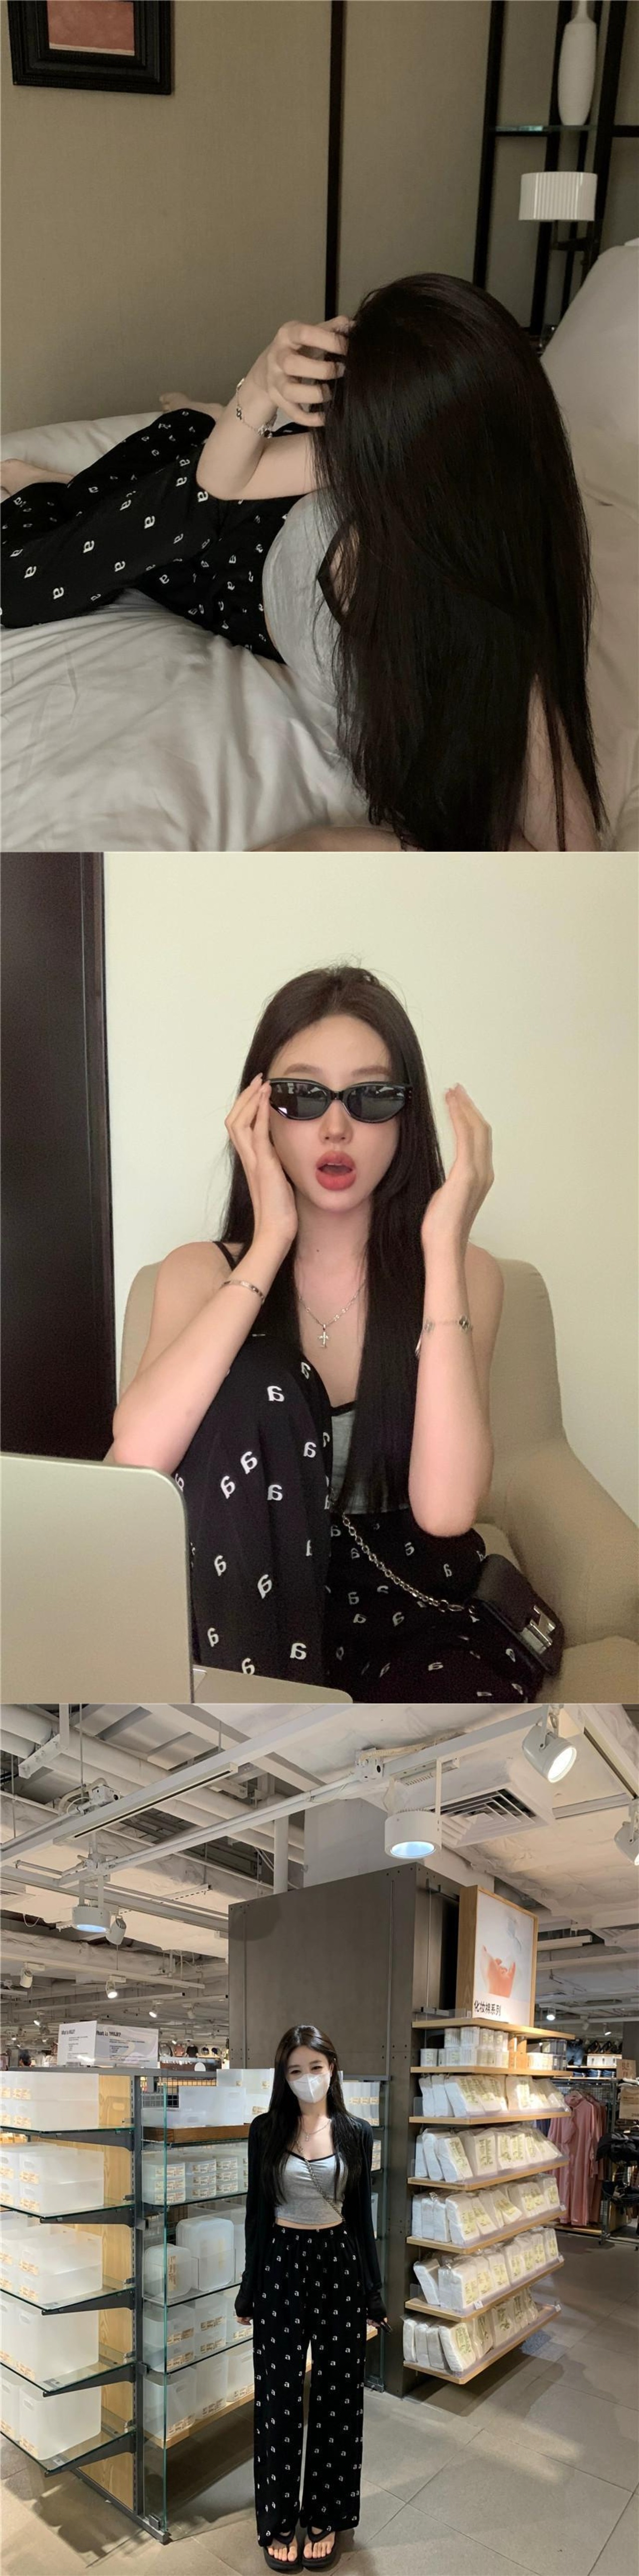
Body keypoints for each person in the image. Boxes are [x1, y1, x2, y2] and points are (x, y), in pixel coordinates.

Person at [1, 276, 601, 851]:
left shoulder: (503, 622)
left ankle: (135, 455)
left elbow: (571, 858)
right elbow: (224, 479)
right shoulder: (395, 462)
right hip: (259, 509)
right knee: (162, 474)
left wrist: (332, 844)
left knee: (133, 519)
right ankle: (71, 475)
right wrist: (259, 387)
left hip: (241, 568)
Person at [109, 962, 545, 1704]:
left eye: (371, 1097)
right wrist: (270, 1240)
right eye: (302, 1096)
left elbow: (446, 1509)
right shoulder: (198, 1272)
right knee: (257, 1377)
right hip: (245, 1594)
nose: (335, 1127)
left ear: (406, 1117)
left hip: (407, 1602)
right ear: (258, 1112)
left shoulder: (464, 1271)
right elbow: (139, 1460)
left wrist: (442, 1249)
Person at [235, 2023, 386, 2569]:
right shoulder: (265, 2131)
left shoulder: (356, 2132)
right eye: (295, 2069)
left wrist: (373, 2292)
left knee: (338, 2394)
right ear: (283, 2076)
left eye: (315, 2067)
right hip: (281, 2264)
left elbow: (361, 2219)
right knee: (277, 2398)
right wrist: (248, 2288)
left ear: (332, 2068)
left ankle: (326, 2513)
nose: (306, 2078)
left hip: (338, 2264)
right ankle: (278, 2519)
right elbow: (256, 2214)